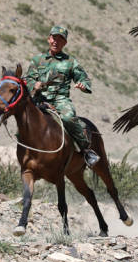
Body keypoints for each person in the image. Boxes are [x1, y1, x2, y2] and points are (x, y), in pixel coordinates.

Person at [24, 25, 100, 167]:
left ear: (65, 43)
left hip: (60, 100)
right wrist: (33, 85)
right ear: (48, 39)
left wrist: (83, 86)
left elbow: (84, 79)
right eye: (53, 38)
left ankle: (86, 150)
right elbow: (27, 79)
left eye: (60, 39)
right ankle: (22, 149)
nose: (56, 41)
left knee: (68, 118)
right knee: (23, 117)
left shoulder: (70, 62)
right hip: (38, 100)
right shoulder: (37, 60)